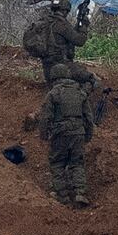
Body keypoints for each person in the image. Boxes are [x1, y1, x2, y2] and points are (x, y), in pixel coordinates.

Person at [39, 63, 95, 207]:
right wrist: (88, 134)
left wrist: (44, 135)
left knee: (57, 163)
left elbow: (45, 117)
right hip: (78, 132)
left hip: (60, 133)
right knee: (77, 163)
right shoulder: (79, 92)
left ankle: (61, 195)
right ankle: (80, 193)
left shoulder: (53, 93)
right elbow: (88, 116)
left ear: (54, 77)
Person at [22, 0, 89, 81]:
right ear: (65, 11)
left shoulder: (44, 21)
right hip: (62, 66)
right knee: (90, 79)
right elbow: (80, 41)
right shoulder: (61, 24)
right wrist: (84, 26)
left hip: (47, 68)